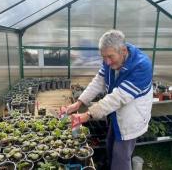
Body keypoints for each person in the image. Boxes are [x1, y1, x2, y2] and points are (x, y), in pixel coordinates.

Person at [61, 29, 153, 170]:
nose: (107, 62)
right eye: (104, 57)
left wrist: (87, 115)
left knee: (121, 157)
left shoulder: (142, 66)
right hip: (116, 114)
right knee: (110, 145)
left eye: (110, 57)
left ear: (123, 50)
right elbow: (99, 81)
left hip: (131, 117)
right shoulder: (110, 58)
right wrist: (79, 102)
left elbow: (118, 98)